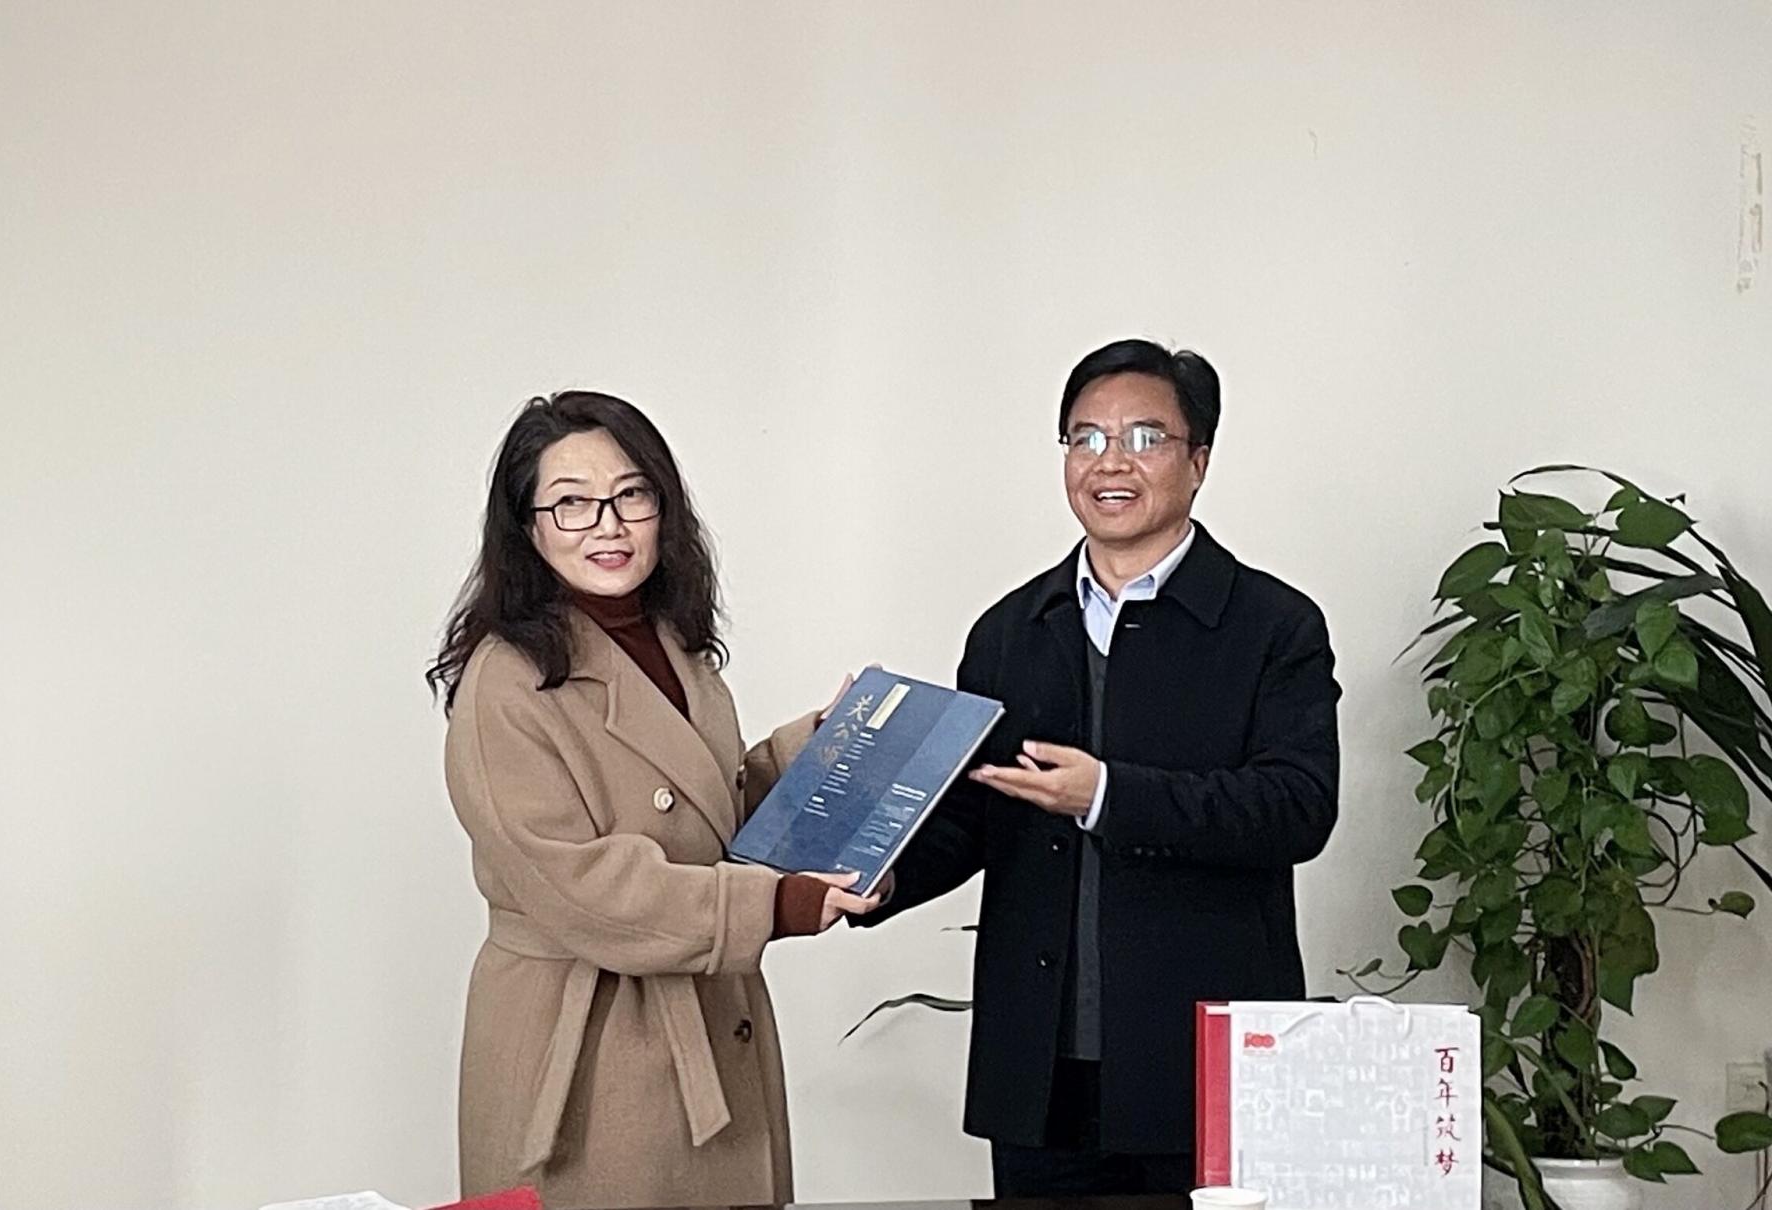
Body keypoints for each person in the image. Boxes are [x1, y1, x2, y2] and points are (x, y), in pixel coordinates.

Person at [858, 339, 1340, 1196]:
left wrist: (1109, 795)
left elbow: (1297, 807)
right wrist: (879, 875)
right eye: (1085, 438)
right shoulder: (1009, 631)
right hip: (1040, 1069)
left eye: (1145, 438)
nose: (1110, 462)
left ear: (1199, 461)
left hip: (1201, 1062)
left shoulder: (1273, 625)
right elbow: (977, 814)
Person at [427, 390, 878, 1209]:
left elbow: (706, 818)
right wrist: (774, 906)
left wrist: (820, 750)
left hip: (706, 1017)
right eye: (572, 503)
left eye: (631, 495)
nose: (608, 525)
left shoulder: (675, 643)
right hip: (592, 1053)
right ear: (527, 527)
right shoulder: (506, 681)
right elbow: (584, 888)